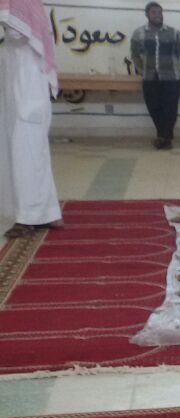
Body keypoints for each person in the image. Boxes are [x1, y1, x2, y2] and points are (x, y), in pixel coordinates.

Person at [0, 0, 62, 239]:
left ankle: (27, 217)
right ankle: (48, 211)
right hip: (25, 92)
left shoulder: (21, 10)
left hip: (29, 94)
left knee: (25, 154)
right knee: (34, 155)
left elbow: (15, 28)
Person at [130, 2, 180, 150]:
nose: (158, 15)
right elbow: (135, 55)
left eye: (160, 12)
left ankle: (163, 138)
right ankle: (165, 137)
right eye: (154, 12)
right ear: (147, 15)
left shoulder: (174, 33)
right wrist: (142, 70)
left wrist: (175, 69)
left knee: (170, 109)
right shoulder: (138, 33)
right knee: (154, 107)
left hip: (171, 78)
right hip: (149, 78)